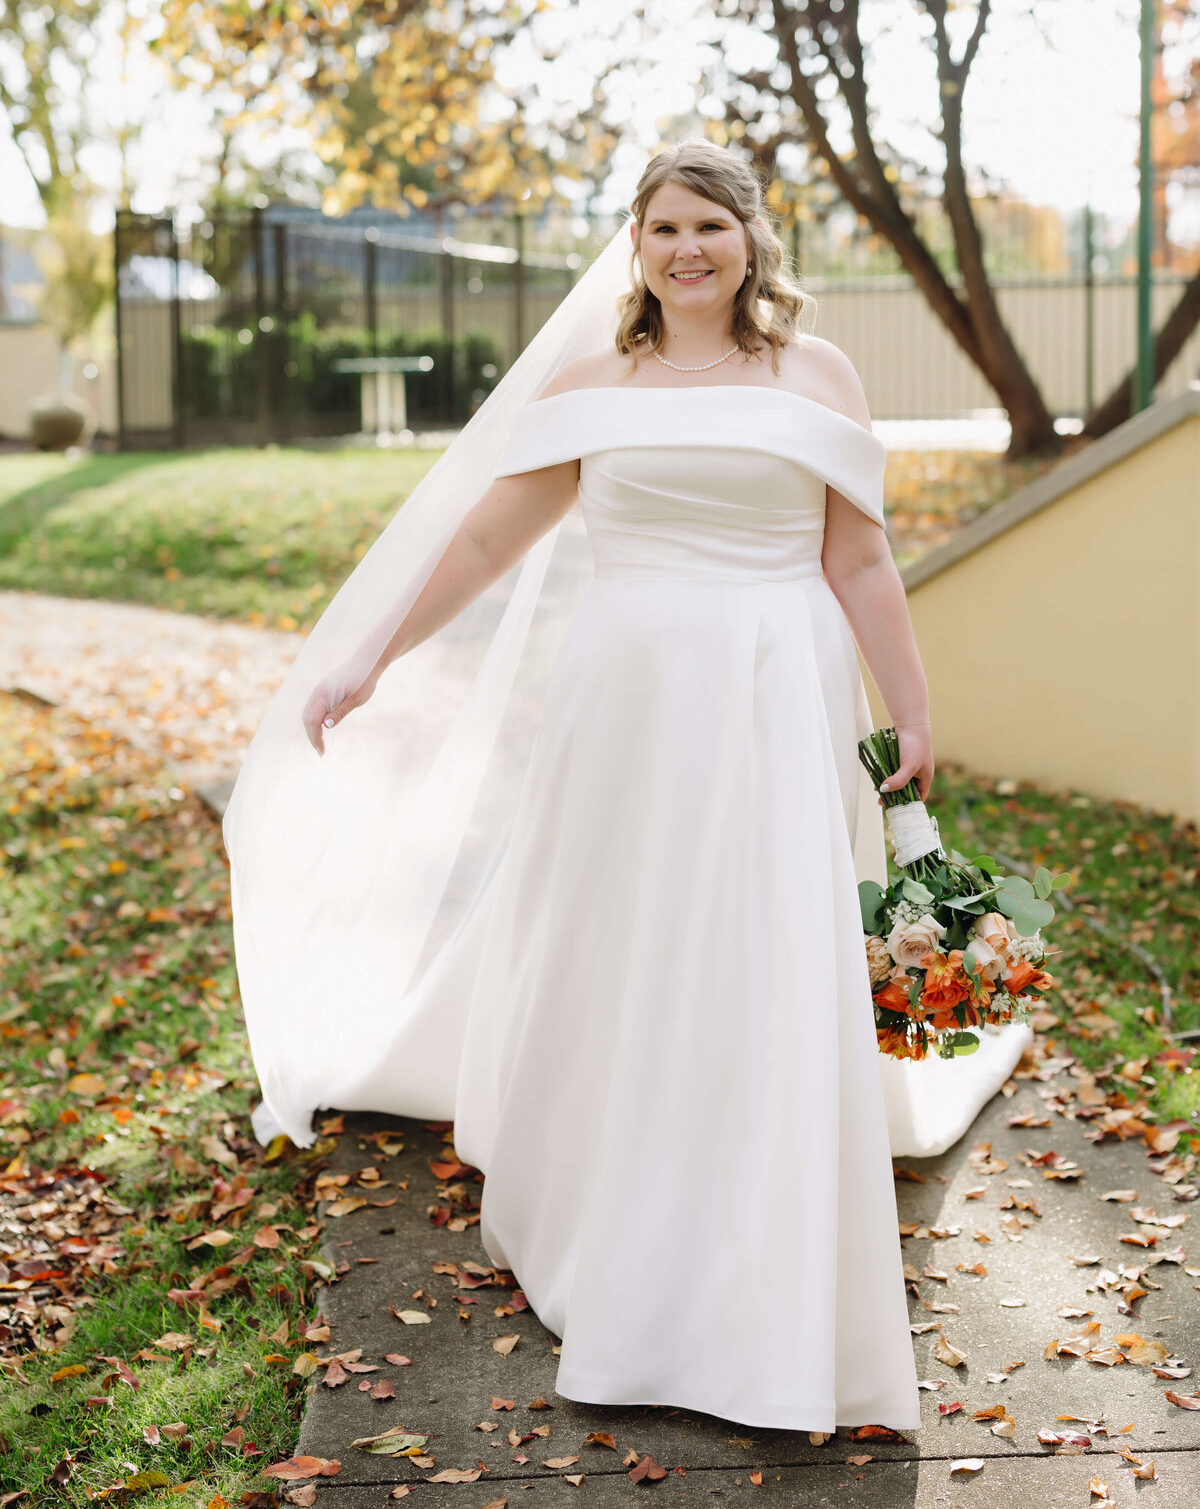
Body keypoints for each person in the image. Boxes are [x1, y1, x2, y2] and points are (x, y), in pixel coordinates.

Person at [225, 141, 1027, 1437]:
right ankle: (613, 1212)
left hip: (777, 692)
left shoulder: (816, 373)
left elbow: (860, 557)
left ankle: (762, 1242)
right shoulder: (594, 374)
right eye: (664, 226)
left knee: (760, 953)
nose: (687, 248)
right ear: (637, 243)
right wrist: (367, 656)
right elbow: (491, 532)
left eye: (709, 223)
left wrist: (913, 712)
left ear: (751, 238)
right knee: (630, 947)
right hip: (630, 705)